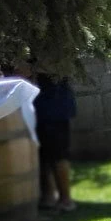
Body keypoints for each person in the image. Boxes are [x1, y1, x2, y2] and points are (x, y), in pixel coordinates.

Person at [33, 72, 74, 213]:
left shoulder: (52, 53)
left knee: (58, 154)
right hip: (40, 104)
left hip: (54, 105)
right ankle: (48, 196)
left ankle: (65, 199)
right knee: (42, 154)